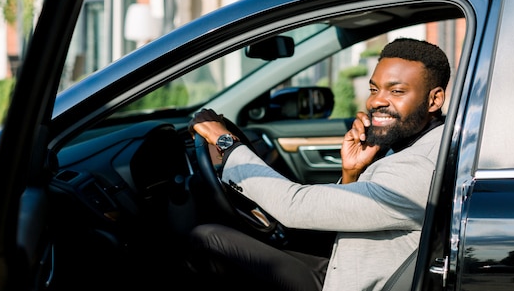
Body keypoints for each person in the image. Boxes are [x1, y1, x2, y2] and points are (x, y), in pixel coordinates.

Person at [187, 37, 451, 291]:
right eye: (374, 89)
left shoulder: (421, 166)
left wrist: (225, 143)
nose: (375, 101)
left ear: (434, 100)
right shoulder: (416, 144)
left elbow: (293, 206)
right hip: (345, 265)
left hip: (350, 283)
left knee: (207, 240)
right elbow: (351, 214)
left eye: (396, 91)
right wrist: (352, 172)